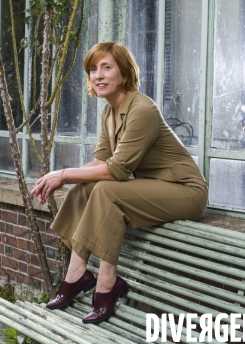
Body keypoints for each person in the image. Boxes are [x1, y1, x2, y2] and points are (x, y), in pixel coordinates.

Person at [30, 42, 208, 324]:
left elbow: (116, 172)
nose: (98, 75)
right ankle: (76, 274)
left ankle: (107, 283)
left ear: (123, 75)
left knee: (104, 190)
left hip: (185, 191)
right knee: (86, 185)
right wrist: (58, 177)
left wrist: (63, 174)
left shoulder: (142, 109)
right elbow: (100, 163)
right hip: (154, 188)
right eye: (92, 69)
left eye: (106, 67)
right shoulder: (110, 112)